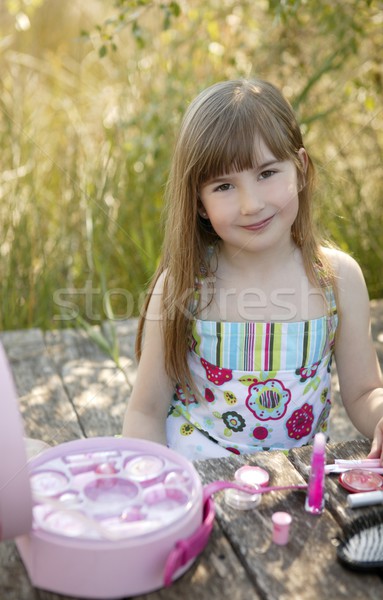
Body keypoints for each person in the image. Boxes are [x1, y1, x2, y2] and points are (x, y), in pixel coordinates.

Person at [122, 78, 383, 461]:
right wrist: (156, 488)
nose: (251, 204)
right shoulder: (185, 284)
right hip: (200, 481)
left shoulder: (337, 279)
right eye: (224, 186)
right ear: (198, 201)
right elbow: (145, 412)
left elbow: (363, 393)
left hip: (293, 489)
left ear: (301, 169)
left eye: (267, 174)